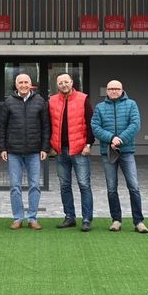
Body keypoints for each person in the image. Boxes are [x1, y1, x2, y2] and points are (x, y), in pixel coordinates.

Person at [90, 79, 148, 233]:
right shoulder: (100, 108)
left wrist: (120, 139)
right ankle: (116, 220)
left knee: (134, 187)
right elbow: (95, 127)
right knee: (111, 188)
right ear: (107, 91)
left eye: (117, 88)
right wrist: (111, 138)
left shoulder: (131, 104)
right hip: (108, 152)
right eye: (110, 89)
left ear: (122, 90)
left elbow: (135, 124)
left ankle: (139, 221)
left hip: (126, 151)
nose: (114, 91)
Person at [0, 73, 50, 230]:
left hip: (34, 151)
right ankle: (18, 217)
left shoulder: (40, 101)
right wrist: (2, 148)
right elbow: (2, 127)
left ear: (31, 84)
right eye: (20, 82)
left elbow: (46, 127)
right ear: (16, 85)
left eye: (26, 82)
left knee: (34, 185)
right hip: (13, 151)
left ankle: (32, 218)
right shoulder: (8, 102)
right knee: (15, 186)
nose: (23, 85)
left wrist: (44, 148)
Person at [48, 72, 95, 232]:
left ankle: (87, 219)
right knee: (64, 185)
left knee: (84, 185)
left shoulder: (83, 99)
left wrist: (88, 144)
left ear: (72, 82)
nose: (63, 85)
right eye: (60, 83)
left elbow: (91, 123)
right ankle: (70, 217)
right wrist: (51, 146)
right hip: (60, 151)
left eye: (66, 82)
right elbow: (48, 125)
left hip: (80, 150)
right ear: (57, 85)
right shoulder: (52, 101)